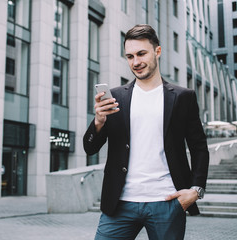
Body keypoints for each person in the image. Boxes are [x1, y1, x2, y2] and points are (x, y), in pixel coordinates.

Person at [83, 24, 209, 240]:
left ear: (157, 51)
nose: (136, 62)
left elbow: (199, 148)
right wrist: (99, 121)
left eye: (141, 54)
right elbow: (90, 147)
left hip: (167, 203)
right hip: (120, 203)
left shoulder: (182, 97)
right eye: (130, 56)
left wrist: (196, 190)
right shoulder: (115, 97)